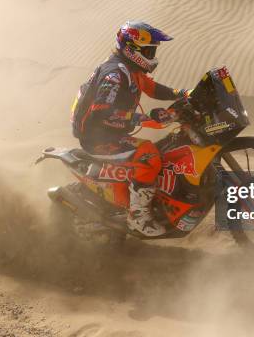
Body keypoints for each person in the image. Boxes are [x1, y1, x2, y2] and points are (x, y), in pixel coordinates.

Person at [71, 21, 187, 236]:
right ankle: (138, 215)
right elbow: (102, 112)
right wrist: (140, 118)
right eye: (148, 50)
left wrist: (183, 93)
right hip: (98, 138)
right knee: (149, 154)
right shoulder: (115, 74)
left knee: (166, 147)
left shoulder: (130, 69)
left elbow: (152, 88)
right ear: (131, 49)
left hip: (109, 132)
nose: (152, 54)